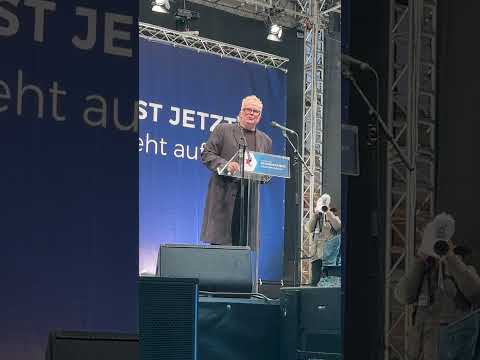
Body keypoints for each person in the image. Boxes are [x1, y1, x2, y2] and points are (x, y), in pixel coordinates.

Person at [394, 215, 480, 360]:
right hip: (422, 351)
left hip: (454, 351)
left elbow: (476, 293)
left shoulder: (464, 265)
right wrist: (420, 259)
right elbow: (403, 296)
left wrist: (450, 257)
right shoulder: (422, 269)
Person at [200, 95, 272, 246]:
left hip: (248, 202)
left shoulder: (265, 140)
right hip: (224, 198)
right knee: (221, 250)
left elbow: (266, 169)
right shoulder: (223, 129)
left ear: (260, 116)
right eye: (248, 109)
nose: (252, 113)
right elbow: (207, 154)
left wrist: (266, 175)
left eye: (256, 111)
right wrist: (225, 164)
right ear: (241, 111)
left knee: (243, 251)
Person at [304, 193, 341, 286]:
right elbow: (308, 228)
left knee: (329, 280)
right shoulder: (317, 218)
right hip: (316, 255)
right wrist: (315, 216)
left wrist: (327, 212)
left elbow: (338, 227)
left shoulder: (333, 216)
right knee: (315, 281)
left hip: (329, 256)